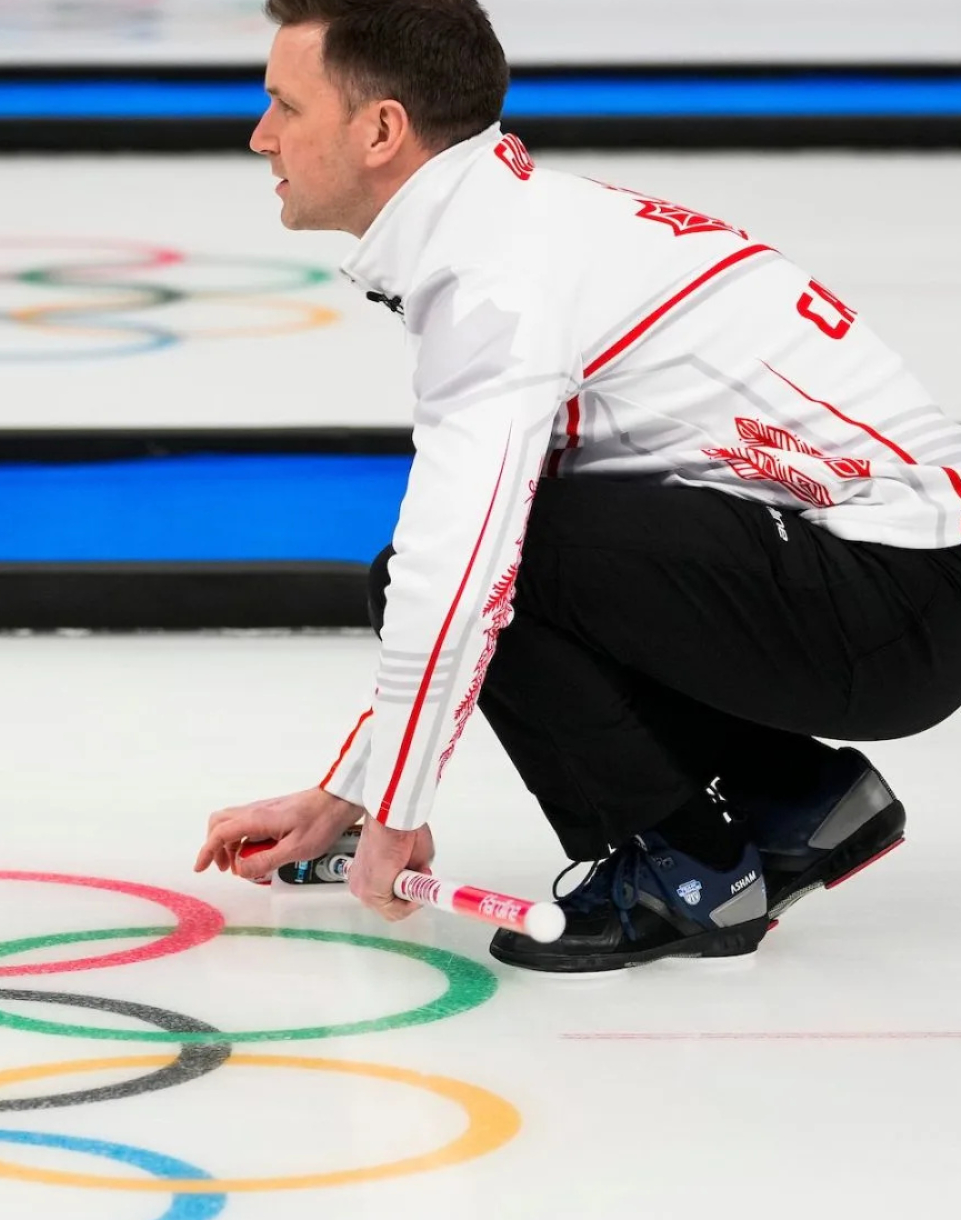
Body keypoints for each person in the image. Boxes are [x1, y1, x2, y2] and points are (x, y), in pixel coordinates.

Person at [192, 0, 961, 972]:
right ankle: (794, 797)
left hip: (889, 593)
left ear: (381, 129)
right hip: (889, 584)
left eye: (283, 106)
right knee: (512, 554)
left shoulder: (497, 281)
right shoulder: (519, 228)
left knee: (494, 563)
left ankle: (689, 869)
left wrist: (393, 811)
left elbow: (462, 572)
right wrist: (353, 790)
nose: (261, 136)